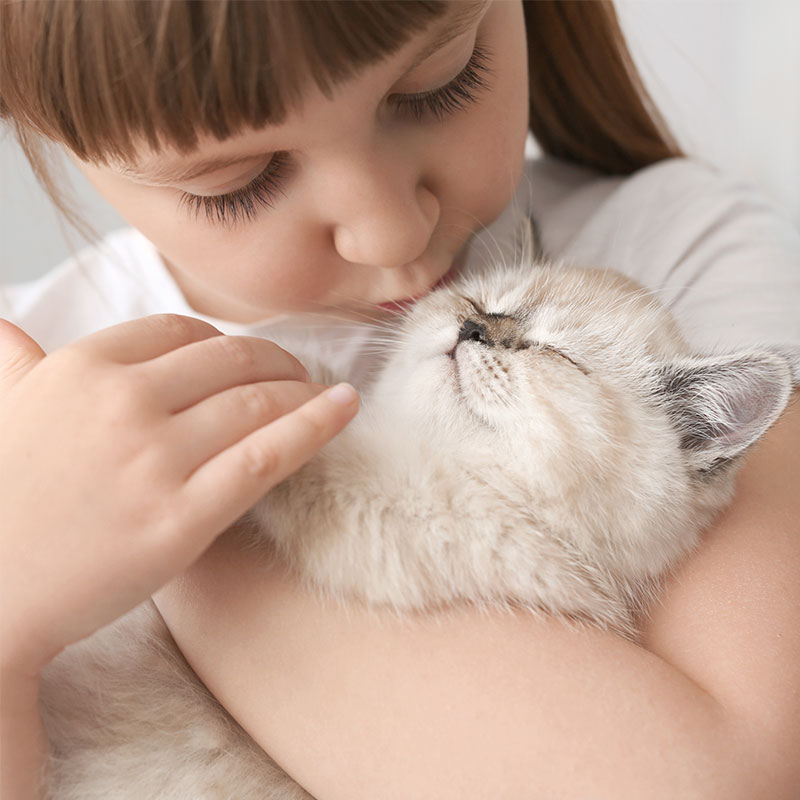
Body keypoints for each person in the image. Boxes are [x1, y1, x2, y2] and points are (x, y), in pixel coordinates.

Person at [1, 1, 798, 797]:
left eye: (439, 84)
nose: (390, 234)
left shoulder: (676, 252)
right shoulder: (22, 367)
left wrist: (190, 542)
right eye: (239, 183)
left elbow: (720, 782)